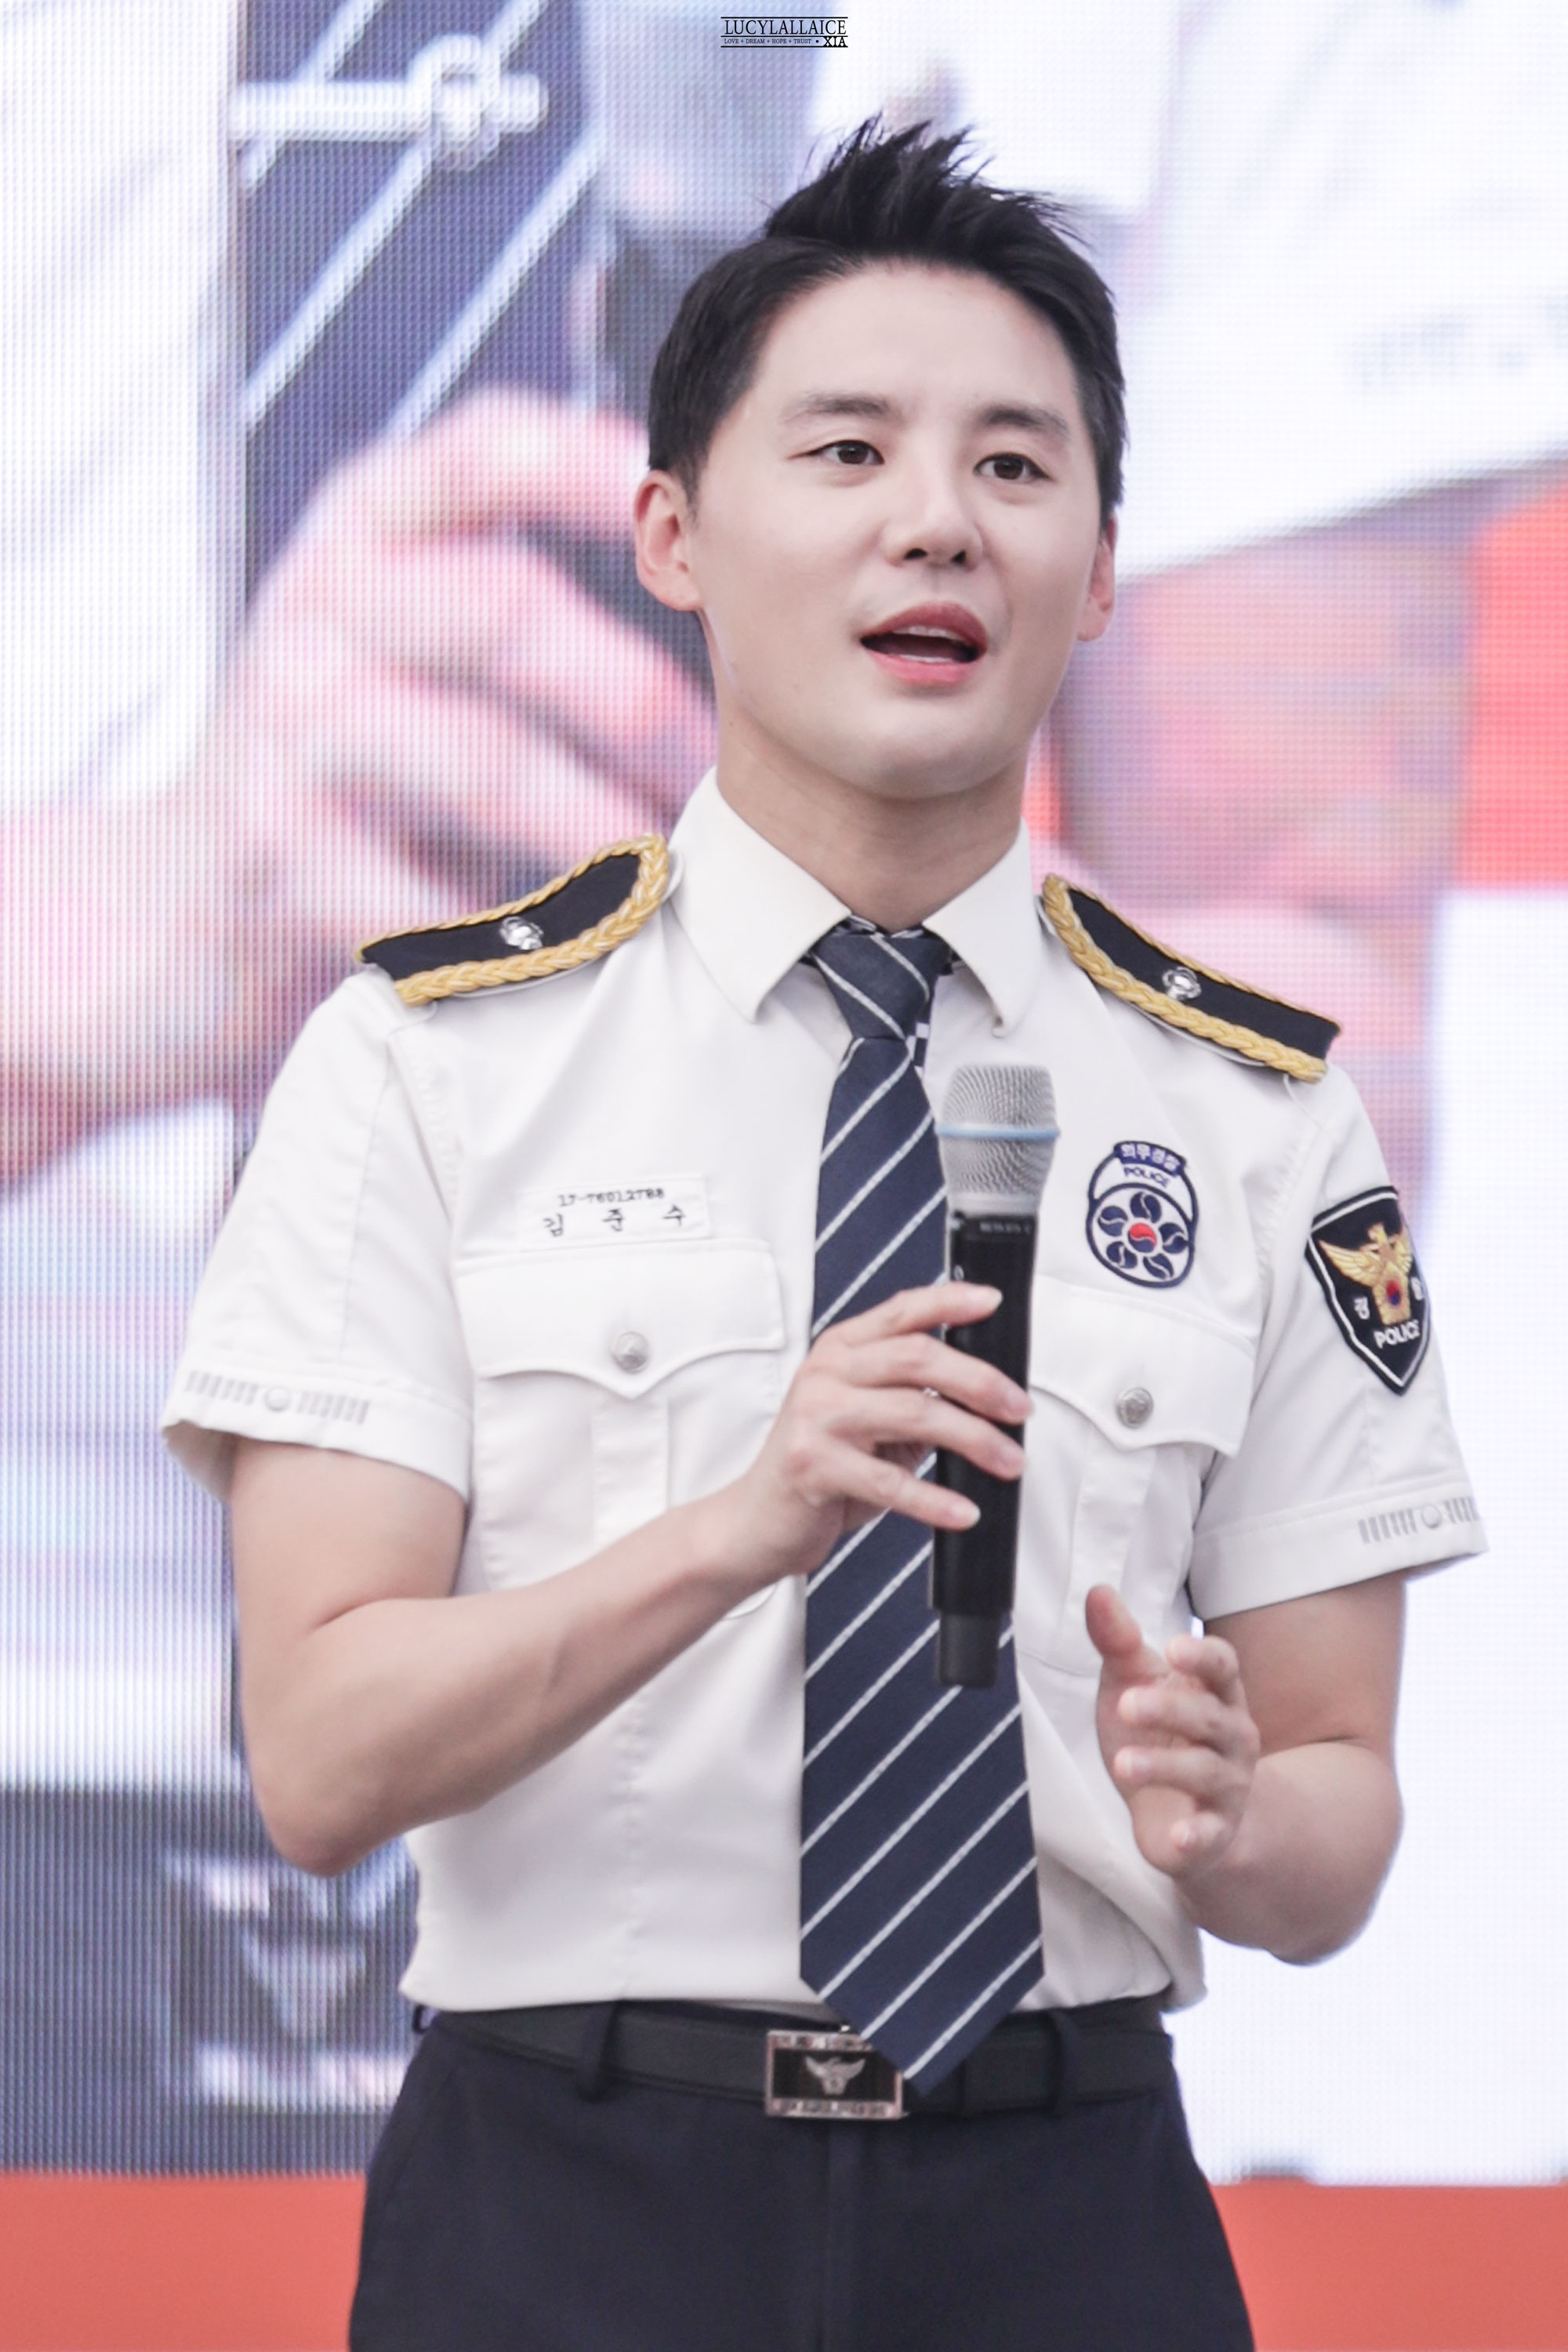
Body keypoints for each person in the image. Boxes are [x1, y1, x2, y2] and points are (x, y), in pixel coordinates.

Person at [162, 124, 1484, 2346]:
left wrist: (1233, 1819)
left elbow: (1338, 1811)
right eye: (849, 450)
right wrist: (738, 1528)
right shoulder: (429, 1063)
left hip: (1062, 2198)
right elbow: (319, 1760)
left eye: (1014, 466)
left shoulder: (1259, 1114)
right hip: (574, 2203)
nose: (937, 521)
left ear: (1102, 567)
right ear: (671, 536)